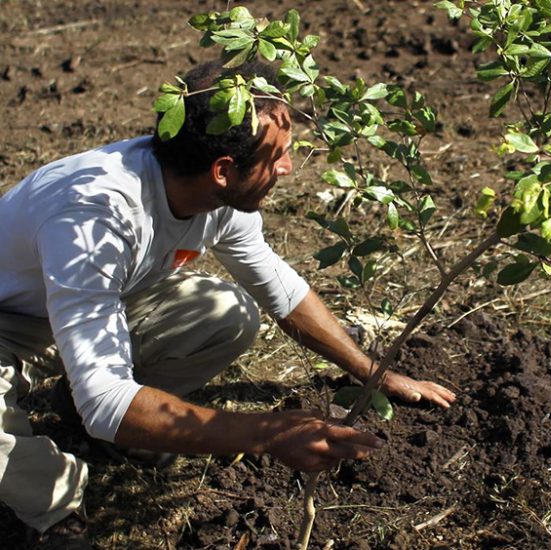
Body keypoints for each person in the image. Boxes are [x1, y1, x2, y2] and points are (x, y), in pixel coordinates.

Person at [0, 59, 456, 548]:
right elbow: (108, 402)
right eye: (279, 155)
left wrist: (374, 372)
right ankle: (55, 509)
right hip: (10, 323)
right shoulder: (94, 219)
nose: (288, 167)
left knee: (227, 313)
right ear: (224, 171)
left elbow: (278, 287)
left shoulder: (208, 195)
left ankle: (105, 417)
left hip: (92, 306)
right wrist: (267, 434)